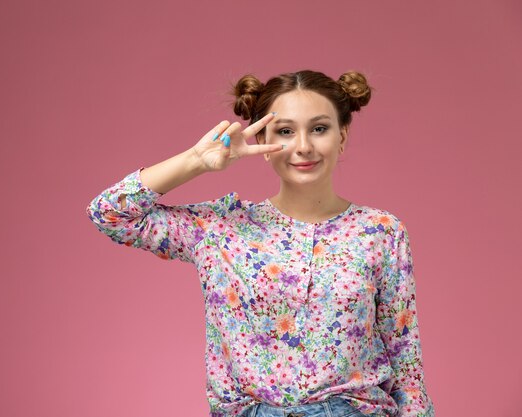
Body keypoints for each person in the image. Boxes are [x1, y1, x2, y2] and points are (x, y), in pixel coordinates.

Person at [86, 69, 435, 417]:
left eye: (319, 128)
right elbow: (110, 213)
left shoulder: (381, 231)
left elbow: (406, 365)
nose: (303, 146)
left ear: (342, 136)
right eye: (285, 131)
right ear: (263, 145)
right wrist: (197, 161)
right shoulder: (221, 228)